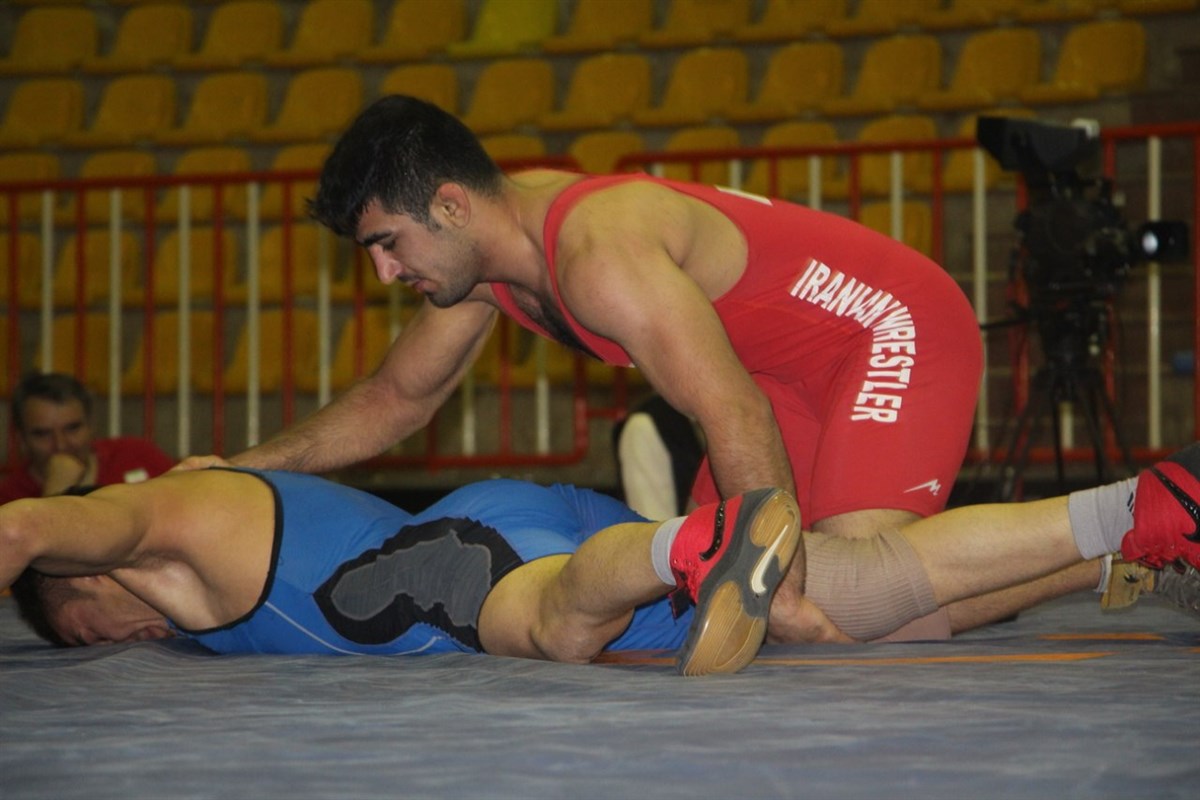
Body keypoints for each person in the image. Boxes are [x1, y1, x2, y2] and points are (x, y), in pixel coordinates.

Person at [179, 95, 986, 641]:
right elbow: (395, 398)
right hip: (774, 379)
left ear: (452, 205)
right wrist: (240, 470)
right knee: (758, 605)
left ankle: (1069, 537)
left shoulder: (597, 252)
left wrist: (776, 586)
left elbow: (729, 412)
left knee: (859, 584)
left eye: (388, 244)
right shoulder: (485, 268)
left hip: (887, 324)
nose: (386, 273)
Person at [6, 446, 1200, 671]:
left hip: (445, 563)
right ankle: (1133, 523)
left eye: (92, 628)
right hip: (525, 518)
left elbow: (28, 527)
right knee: (878, 594)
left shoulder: (147, 528)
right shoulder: (196, 502)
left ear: (86, 582)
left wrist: (52, 530)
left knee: (546, 627)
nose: (131, 637)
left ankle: (692, 542)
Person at [0, 372, 175, 503]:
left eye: (72, 428)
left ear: (91, 425)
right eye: (42, 434)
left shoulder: (138, 454)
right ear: (21, 439)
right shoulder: (9, 499)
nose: (61, 445)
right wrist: (56, 493)